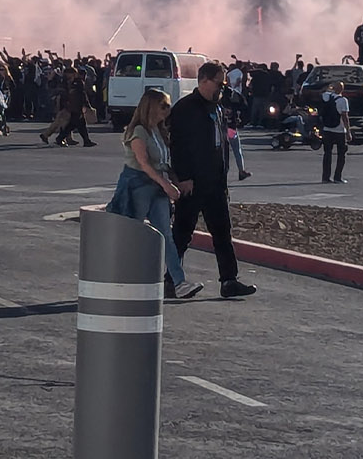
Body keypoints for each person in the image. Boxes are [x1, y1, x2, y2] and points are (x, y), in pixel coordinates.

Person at [169, 63, 256, 299]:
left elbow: (221, 144)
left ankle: (229, 280)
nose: (222, 87)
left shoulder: (217, 107)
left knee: (222, 233)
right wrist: (184, 177)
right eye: (219, 83)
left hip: (215, 183)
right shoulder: (185, 109)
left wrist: (225, 177)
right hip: (193, 183)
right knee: (182, 233)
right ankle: (169, 278)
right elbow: (176, 147)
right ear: (204, 80)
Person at [105, 88, 202, 300]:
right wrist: (166, 185)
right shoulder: (139, 131)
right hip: (138, 185)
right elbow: (144, 163)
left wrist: (175, 182)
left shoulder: (158, 131)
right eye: (163, 106)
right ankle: (119, 279)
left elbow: (162, 164)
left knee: (165, 235)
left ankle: (179, 282)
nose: (167, 111)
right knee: (133, 234)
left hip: (157, 186)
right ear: (151, 106)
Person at [318, 81, 350, 184]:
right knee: (341, 154)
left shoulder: (326, 96)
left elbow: (322, 90)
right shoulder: (343, 100)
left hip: (327, 129)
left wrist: (329, 87)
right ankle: (337, 177)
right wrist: (348, 131)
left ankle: (325, 177)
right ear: (342, 89)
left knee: (327, 154)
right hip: (339, 130)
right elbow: (345, 117)